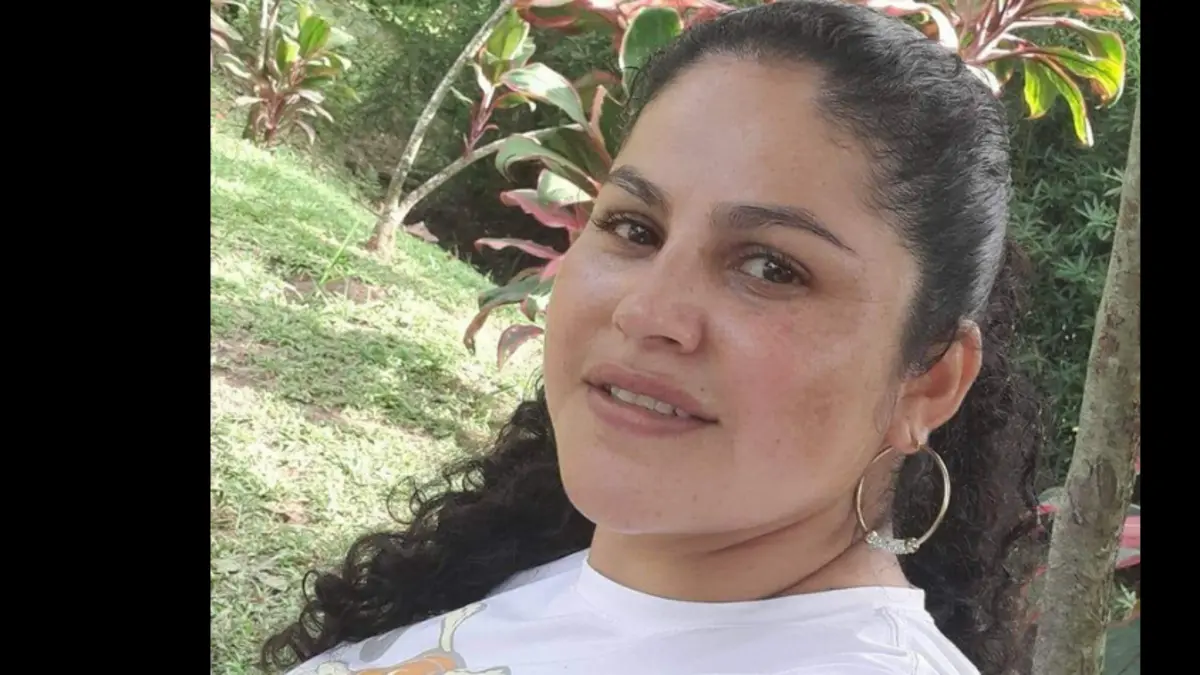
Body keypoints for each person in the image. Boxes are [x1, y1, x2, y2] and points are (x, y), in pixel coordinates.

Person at [261, 1, 1045, 673]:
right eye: (635, 227)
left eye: (771, 267)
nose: (646, 311)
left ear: (929, 381)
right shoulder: (522, 567)